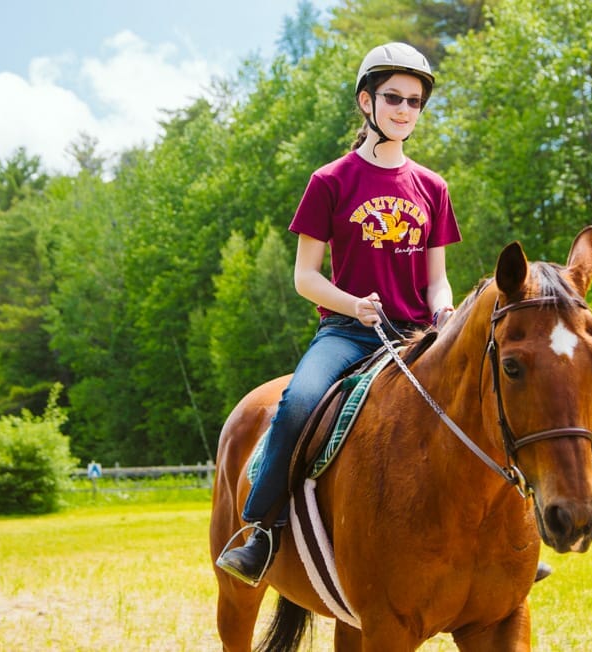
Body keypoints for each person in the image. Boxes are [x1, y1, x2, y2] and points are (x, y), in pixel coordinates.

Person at [215, 42, 461, 587]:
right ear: (365, 102)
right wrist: (353, 304)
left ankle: (505, 538)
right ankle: (262, 530)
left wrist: (443, 309)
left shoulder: (433, 187)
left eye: (415, 101)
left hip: (418, 334)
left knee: (488, 396)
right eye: (393, 97)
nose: (404, 110)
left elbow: (436, 275)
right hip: (349, 333)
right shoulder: (330, 181)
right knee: (300, 401)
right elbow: (305, 276)